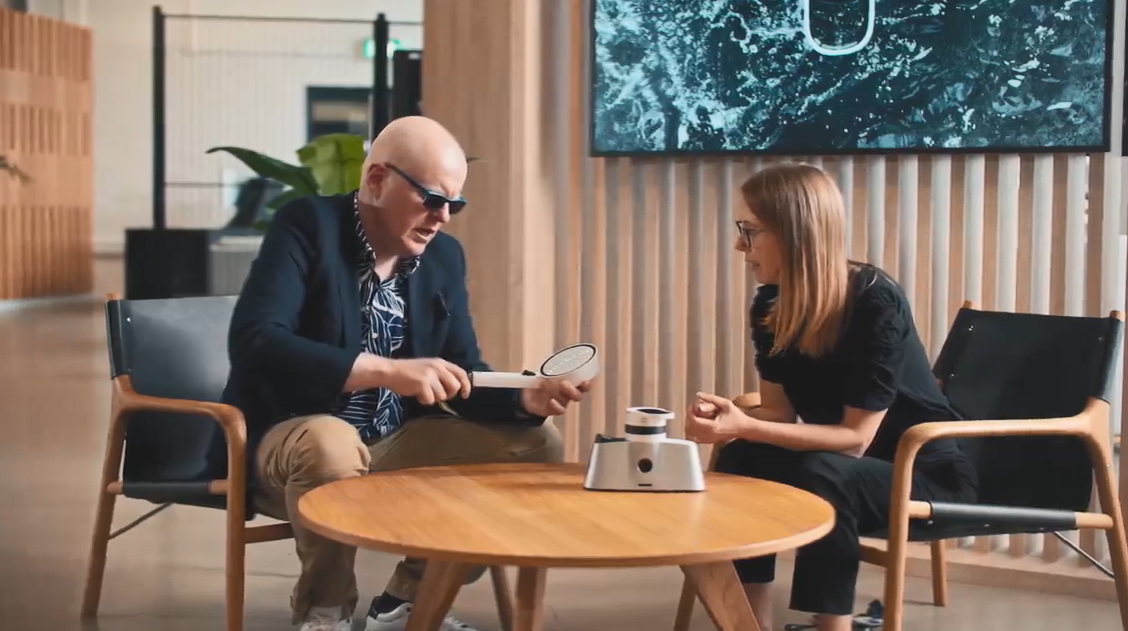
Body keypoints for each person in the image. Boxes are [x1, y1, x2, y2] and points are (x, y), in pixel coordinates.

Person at [214, 116, 592, 631]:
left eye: (453, 204)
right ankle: (324, 615)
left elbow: (462, 371)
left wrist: (524, 398)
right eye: (432, 199)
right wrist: (385, 372)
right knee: (331, 442)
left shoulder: (443, 259)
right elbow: (256, 342)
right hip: (294, 439)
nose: (443, 218)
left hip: (393, 440)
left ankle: (406, 603)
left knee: (538, 445)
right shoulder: (307, 226)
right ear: (375, 180)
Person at [685, 163, 978, 631]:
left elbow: (854, 440)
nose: (740, 245)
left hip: (922, 472)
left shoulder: (875, 300)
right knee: (744, 454)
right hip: (840, 465)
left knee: (825, 472)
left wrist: (745, 422)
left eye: (750, 231)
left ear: (795, 233)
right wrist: (728, 420)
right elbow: (779, 413)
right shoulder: (771, 302)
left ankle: (832, 627)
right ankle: (746, 622)